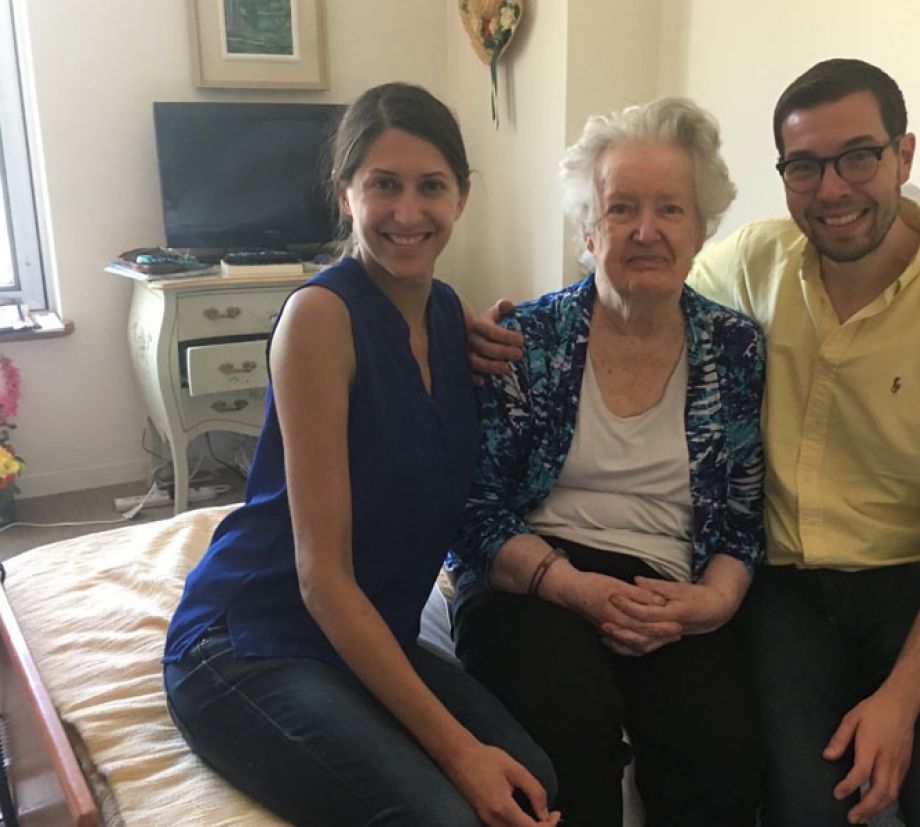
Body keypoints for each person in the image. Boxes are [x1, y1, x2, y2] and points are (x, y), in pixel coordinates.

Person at [162, 83, 559, 827]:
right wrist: (458, 751)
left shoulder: (447, 313)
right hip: (253, 638)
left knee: (534, 776)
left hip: (368, 632)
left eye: (431, 187)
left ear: (463, 197)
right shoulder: (320, 319)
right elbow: (320, 579)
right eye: (383, 185)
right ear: (345, 193)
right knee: (445, 814)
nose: (408, 213)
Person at [687, 59, 920, 826]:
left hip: (913, 587)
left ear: (904, 157)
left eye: (859, 157)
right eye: (804, 166)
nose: (832, 189)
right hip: (783, 585)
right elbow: (640, 296)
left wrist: (900, 703)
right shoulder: (752, 264)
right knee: (809, 808)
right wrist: (523, 328)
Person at [449, 97, 767, 827]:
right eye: (621, 208)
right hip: (535, 577)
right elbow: (474, 512)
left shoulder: (735, 349)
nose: (647, 231)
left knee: (721, 754)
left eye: (671, 210)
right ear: (589, 231)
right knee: (565, 734)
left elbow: (743, 518)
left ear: (702, 227)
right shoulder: (526, 338)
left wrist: (711, 603)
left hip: (669, 586)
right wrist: (574, 587)